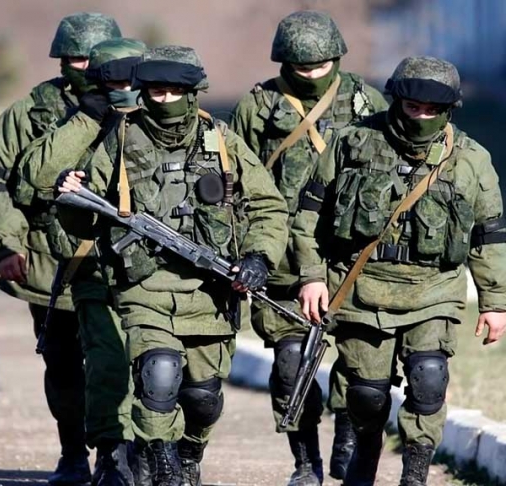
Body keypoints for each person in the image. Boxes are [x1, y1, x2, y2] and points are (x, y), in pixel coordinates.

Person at [56, 45, 289, 486]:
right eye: (155, 91)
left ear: (193, 92)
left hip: (210, 289)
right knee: (158, 375)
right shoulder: (121, 138)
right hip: (145, 285)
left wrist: (258, 257)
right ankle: (162, 463)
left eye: (173, 91)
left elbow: (268, 206)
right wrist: (70, 195)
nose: (164, 100)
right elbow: (83, 219)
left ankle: (188, 452)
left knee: (203, 397)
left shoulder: (220, 140)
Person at [295, 56, 506, 485]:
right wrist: (312, 276)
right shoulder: (352, 143)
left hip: (435, 290)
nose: (421, 116)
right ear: (397, 101)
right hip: (362, 290)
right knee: (366, 395)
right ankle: (364, 457)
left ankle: (415, 474)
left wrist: (495, 301)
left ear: (449, 109)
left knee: (429, 380)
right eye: (413, 107)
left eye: (432, 110)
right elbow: (309, 216)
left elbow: (488, 235)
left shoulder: (471, 160)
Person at [229, 10, 389, 484]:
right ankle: (305, 462)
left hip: (350, 256)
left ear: (337, 57)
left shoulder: (366, 100)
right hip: (282, 259)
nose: (313, 74)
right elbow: (234, 181)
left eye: (322, 65)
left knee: (361, 368)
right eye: (302, 67)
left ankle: (347, 429)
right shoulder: (257, 106)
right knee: (290, 366)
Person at [0, 12, 121, 486]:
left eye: (94, 58)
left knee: (114, 360)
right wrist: (6, 247)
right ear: (61, 60)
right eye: (76, 58)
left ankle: (114, 455)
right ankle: (72, 453)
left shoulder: (136, 105)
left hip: (117, 258)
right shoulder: (27, 113)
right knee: (62, 363)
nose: (86, 67)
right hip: (48, 258)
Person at [15, 37, 146, 486]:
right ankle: (110, 455)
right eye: (112, 83)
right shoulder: (81, 122)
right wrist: (90, 117)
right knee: (104, 363)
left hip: (162, 272)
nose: (123, 91)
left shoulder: (169, 118)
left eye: (130, 81)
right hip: (92, 265)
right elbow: (33, 174)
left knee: (160, 368)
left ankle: (166, 454)